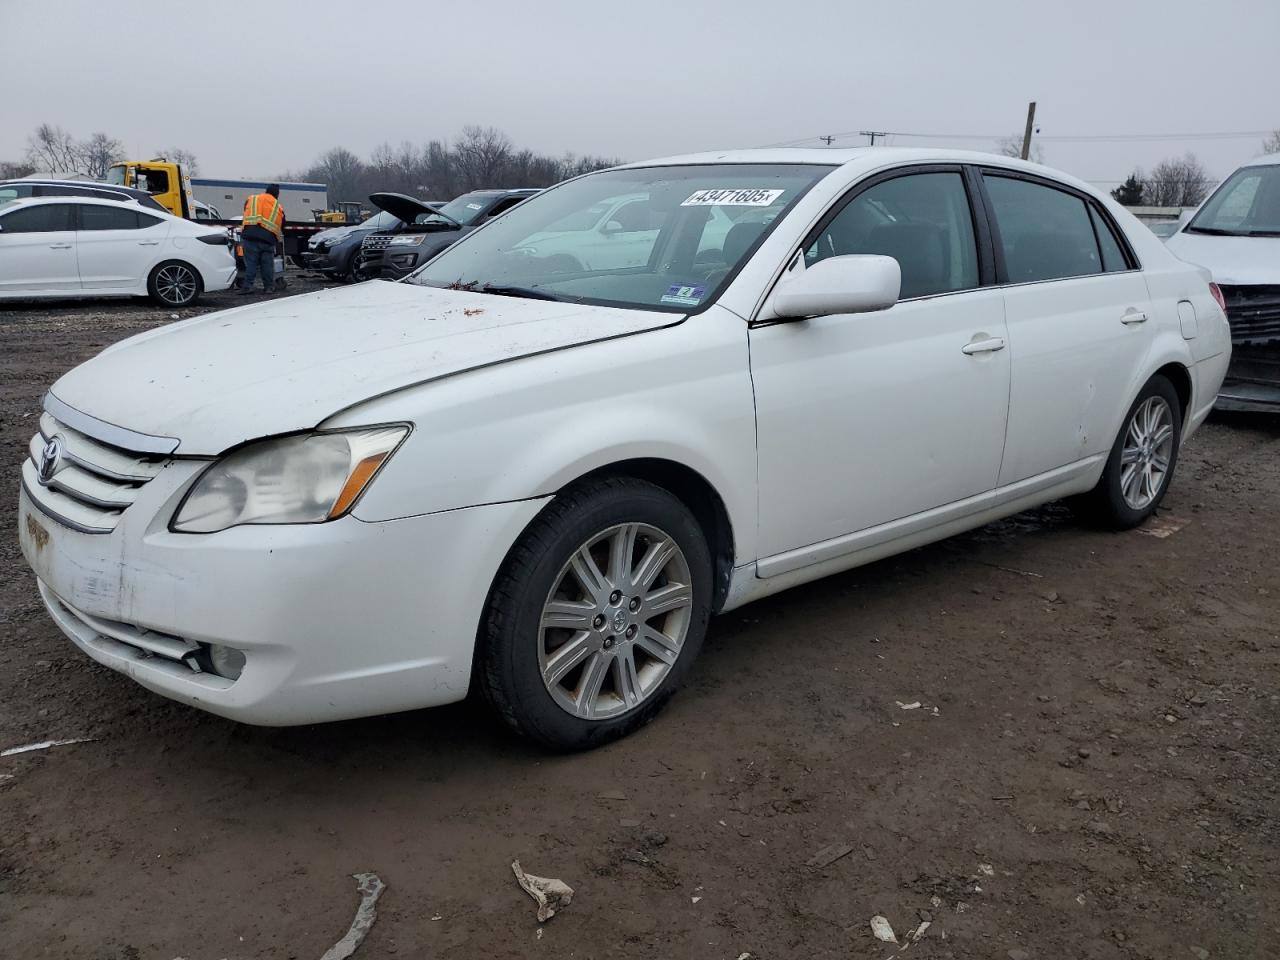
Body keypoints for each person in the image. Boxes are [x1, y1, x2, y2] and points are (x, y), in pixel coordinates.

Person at [239, 184, 286, 294]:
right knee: (267, 265)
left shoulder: (252, 199)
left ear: (266, 191)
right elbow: (282, 224)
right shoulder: (278, 206)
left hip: (250, 236)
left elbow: (246, 211)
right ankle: (268, 287)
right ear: (277, 195)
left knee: (251, 264)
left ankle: (247, 287)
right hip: (268, 239)